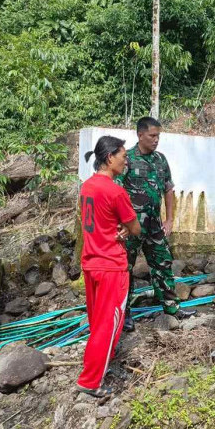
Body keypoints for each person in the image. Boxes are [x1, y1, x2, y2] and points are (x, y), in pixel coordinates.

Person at [117, 117, 195, 331]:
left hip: (154, 225)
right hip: (131, 227)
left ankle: (171, 308)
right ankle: (124, 315)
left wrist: (169, 219)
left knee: (163, 264)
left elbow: (168, 189)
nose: (156, 140)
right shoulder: (127, 160)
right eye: (152, 136)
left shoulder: (160, 160)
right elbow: (116, 192)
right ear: (140, 135)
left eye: (158, 136)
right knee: (126, 269)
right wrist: (121, 222)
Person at [77, 136, 141, 397]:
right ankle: (90, 381)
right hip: (111, 265)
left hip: (91, 262)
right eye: (123, 156)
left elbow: (97, 222)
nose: (126, 161)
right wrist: (126, 229)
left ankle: (99, 366)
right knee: (109, 324)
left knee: (97, 322)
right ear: (109, 157)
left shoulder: (86, 187)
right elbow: (135, 228)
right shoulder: (115, 191)